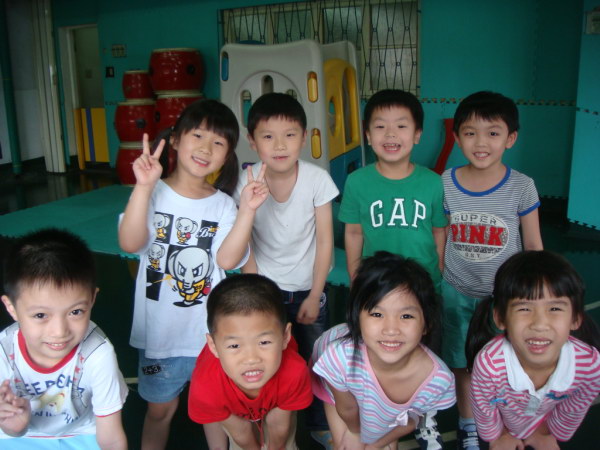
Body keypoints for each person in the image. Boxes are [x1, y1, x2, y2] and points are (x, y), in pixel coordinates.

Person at [118, 99, 269, 450]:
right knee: (160, 411)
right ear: (175, 140)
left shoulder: (223, 204)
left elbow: (227, 259)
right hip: (159, 335)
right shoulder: (152, 193)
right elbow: (130, 242)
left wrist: (247, 210)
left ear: (227, 155)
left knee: (217, 411)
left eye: (218, 142)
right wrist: (143, 187)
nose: (205, 148)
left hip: (209, 337)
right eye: (197, 135)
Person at [233, 92, 339, 447]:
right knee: (267, 359)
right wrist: (256, 294)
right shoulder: (246, 181)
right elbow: (244, 240)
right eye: (268, 136)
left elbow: (325, 240)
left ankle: (319, 423)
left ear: (304, 138)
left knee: (316, 361)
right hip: (265, 290)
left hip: (309, 288)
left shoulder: (316, 179)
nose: (280, 145)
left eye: (290, 135)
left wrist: (315, 293)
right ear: (252, 141)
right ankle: (267, 421)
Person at [441, 91, 544, 449]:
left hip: (504, 297)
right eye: (470, 133)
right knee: (462, 363)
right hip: (456, 291)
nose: (481, 143)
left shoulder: (522, 186)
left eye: (493, 133)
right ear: (457, 137)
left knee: (507, 363)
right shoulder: (446, 182)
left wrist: (532, 297)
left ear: (510, 138)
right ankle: (468, 424)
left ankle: (508, 423)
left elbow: (533, 245)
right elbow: (440, 236)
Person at [312, 251, 456, 450]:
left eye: (406, 316)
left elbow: (411, 419)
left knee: (382, 434)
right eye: (377, 314)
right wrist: (355, 434)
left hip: (369, 389)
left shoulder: (438, 380)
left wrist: (376, 443)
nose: (391, 330)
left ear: (427, 324)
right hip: (340, 382)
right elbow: (347, 408)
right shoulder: (337, 357)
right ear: (356, 318)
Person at [0, 228, 128, 449]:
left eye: (75, 312)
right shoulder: (4, 351)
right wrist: (14, 426)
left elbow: (111, 438)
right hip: (18, 438)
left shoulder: (98, 354)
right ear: (11, 308)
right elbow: (12, 429)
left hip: (82, 433)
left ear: (92, 298)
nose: (60, 332)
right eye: (40, 315)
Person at [466, 250, 600, 449]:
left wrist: (546, 433)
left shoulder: (589, 366)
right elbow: (484, 408)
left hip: (545, 426)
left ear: (575, 318)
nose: (539, 324)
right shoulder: (489, 365)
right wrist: (497, 437)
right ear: (500, 318)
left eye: (555, 308)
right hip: (505, 427)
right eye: (524, 308)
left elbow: (574, 408)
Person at [188, 273, 313, 450]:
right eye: (234, 346)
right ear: (213, 346)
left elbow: (279, 425)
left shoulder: (294, 371)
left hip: (279, 396)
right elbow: (241, 432)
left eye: (264, 342)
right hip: (224, 401)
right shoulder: (205, 385)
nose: (251, 359)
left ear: (285, 336)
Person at [339, 89, 447, 290]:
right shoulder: (356, 181)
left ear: (417, 135)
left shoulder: (434, 182)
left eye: (401, 126)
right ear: (368, 136)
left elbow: (438, 230)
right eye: (380, 126)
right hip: (376, 281)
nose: (390, 133)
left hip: (425, 281)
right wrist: (354, 275)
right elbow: (353, 233)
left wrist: (439, 267)